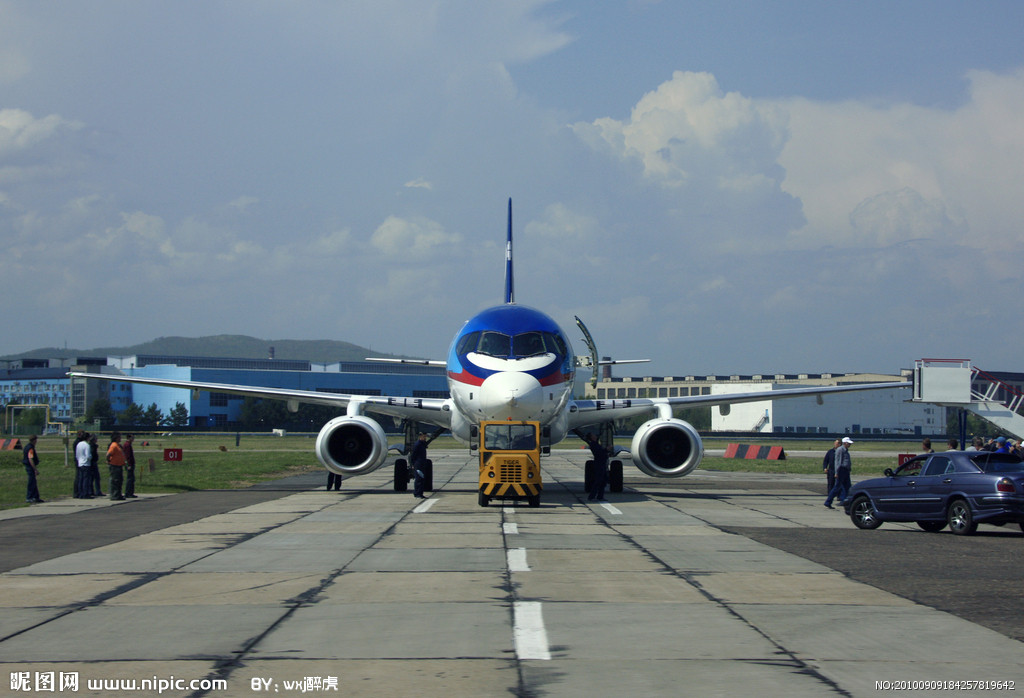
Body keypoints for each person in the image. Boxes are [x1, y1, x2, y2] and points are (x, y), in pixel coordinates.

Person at [824, 437, 853, 509]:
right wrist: (837, 472)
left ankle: (846, 502)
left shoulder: (846, 450)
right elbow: (837, 462)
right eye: (848, 443)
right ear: (845, 443)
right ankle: (828, 502)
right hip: (841, 470)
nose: (850, 444)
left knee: (847, 487)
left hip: (846, 471)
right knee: (837, 487)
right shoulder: (840, 450)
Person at [582, 432, 609, 501]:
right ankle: (592, 496)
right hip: (599, 464)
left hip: (602, 463)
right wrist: (606, 450)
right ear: (591, 437)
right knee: (598, 481)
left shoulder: (596, 444)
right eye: (594, 435)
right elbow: (599, 453)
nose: (595, 435)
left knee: (603, 481)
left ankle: (600, 496)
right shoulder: (593, 445)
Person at [22, 435, 44, 504]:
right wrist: (35, 469)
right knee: (31, 482)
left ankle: (35, 497)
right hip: (30, 467)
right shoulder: (30, 448)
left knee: (33, 482)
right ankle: (29, 497)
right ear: (34, 440)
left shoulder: (27, 446)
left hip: (29, 466)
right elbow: (30, 459)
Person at [106, 431, 127, 501]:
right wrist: (109, 461)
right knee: (115, 481)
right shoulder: (114, 445)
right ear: (116, 438)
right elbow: (108, 454)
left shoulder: (118, 445)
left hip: (119, 465)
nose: (120, 438)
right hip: (114, 466)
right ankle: (114, 495)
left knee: (119, 481)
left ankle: (118, 494)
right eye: (119, 437)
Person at [74, 431, 93, 499]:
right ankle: (85, 493)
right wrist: (90, 457)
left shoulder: (78, 444)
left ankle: (80, 493)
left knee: (80, 479)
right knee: (85, 479)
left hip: (80, 463)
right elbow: (88, 455)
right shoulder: (87, 445)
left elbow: (77, 455)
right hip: (86, 463)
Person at [410, 432, 428, 498]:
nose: (425, 438)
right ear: (420, 436)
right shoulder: (417, 444)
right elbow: (413, 455)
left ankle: (420, 493)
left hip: (422, 463)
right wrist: (412, 464)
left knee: (422, 479)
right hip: (418, 464)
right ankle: (417, 493)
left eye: (425, 436)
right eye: (424, 436)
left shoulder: (422, 444)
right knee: (418, 479)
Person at [123, 433, 137, 498]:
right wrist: (129, 465)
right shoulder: (127, 445)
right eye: (132, 438)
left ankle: (130, 492)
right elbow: (127, 456)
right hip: (130, 464)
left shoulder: (128, 445)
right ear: (129, 438)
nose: (133, 439)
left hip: (131, 463)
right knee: (130, 479)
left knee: (131, 478)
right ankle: (128, 493)